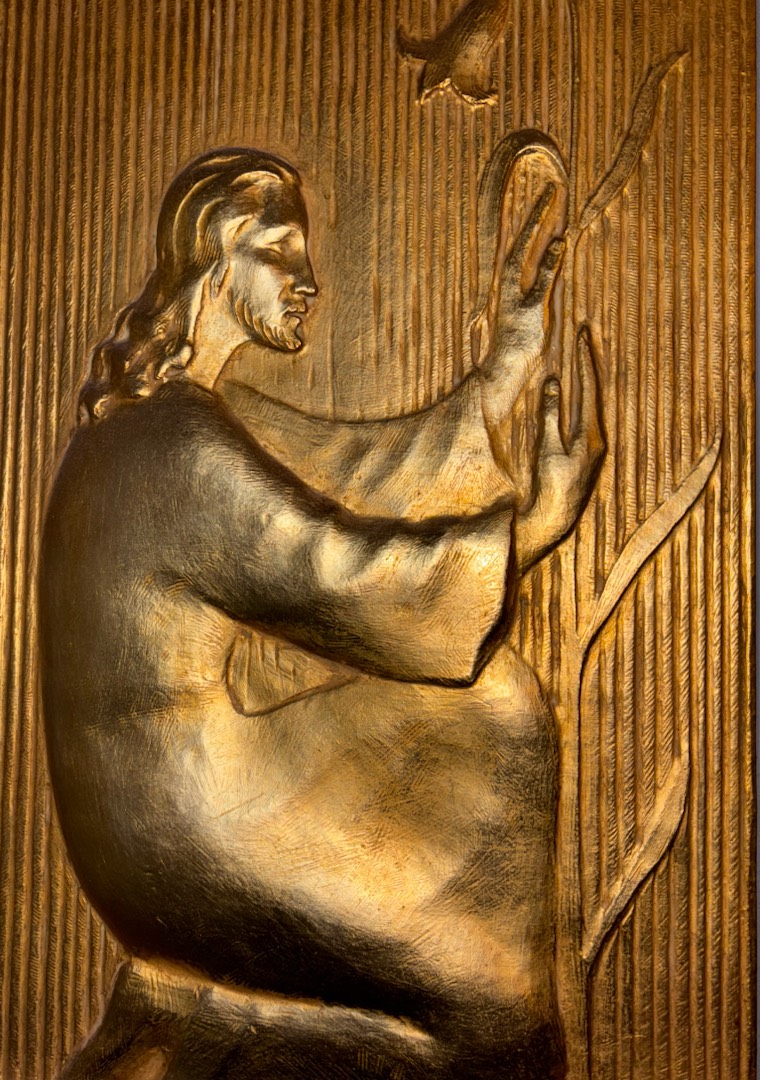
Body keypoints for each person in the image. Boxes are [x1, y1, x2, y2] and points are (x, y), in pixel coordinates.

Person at [41, 147, 602, 1080]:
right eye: (280, 251)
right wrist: (532, 531)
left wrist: (502, 373)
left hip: (164, 806)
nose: (308, 278)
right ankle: (250, 1041)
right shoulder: (174, 445)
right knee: (491, 1011)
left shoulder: (166, 422)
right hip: (188, 821)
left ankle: (222, 1028)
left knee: (496, 701)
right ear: (217, 261)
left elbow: (345, 477)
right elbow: (332, 569)